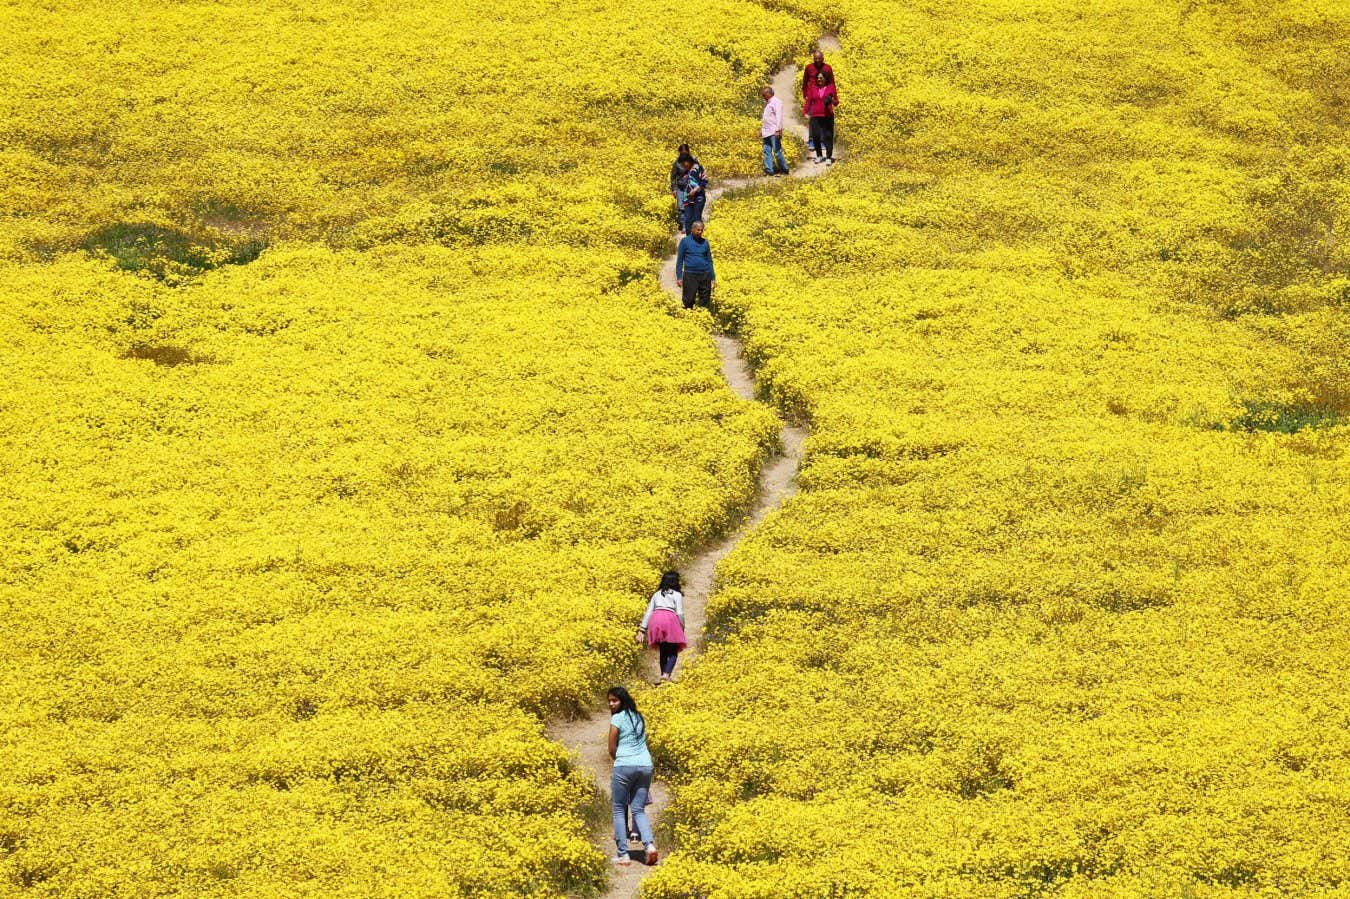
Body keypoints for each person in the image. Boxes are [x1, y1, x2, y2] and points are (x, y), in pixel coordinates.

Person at [608, 686, 658, 867]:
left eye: (614, 700)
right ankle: (650, 846)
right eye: (609, 700)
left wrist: (619, 761)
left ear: (622, 701)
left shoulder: (617, 718)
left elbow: (611, 747)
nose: (611, 704)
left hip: (625, 766)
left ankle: (623, 854)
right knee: (638, 809)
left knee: (619, 809)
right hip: (645, 765)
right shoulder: (638, 717)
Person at [638, 571, 688, 680]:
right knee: (673, 651)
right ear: (675, 582)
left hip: (655, 620)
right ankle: (666, 674)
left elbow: (648, 612)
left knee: (663, 651)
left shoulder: (656, 594)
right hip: (670, 620)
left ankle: (663, 675)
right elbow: (679, 613)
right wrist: (682, 627)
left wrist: (642, 629)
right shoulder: (677, 594)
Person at [674, 222, 715, 312]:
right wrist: (679, 277)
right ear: (692, 229)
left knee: (705, 302)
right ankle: (688, 321)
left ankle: (703, 320)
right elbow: (680, 260)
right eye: (698, 230)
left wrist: (713, 278)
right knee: (688, 300)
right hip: (690, 275)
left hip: (705, 275)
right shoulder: (685, 242)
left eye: (701, 230)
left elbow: (709, 261)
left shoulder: (705, 242)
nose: (700, 232)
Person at [804, 71, 840, 164]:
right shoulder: (813, 88)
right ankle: (819, 155)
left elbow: (836, 102)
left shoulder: (831, 87)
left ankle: (828, 157)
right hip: (815, 115)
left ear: (825, 78)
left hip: (827, 115)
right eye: (818, 78)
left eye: (821, 77)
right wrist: (805, 112)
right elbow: (809, 101)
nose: (819, 79)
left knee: (828, 136)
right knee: (816, 136)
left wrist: (831, 100)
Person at [802, 50, 834, 152]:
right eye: (815, 58)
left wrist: (831, 95)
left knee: (824, 119)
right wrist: (805, 94)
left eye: (819, 58)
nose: (817, 60)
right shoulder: (809, 67)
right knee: (813, 120)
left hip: (824, 95)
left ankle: (823, 141)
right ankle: (812, 140)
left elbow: (831, 82)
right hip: (813, 95)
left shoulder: (827, 68)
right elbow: (804, 82)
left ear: (823, 58)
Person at [676, 153, 708, 236]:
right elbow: (680, 180)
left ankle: (697, 240)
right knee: (688, 220)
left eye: (684, 163)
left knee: (697, 219)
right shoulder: (685, 171)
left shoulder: (698, 168)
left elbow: (704, 182)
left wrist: (695, 190)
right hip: (687, 198)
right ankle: (689, 240)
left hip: (698, 197)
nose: (683, 165)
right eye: (682, 164)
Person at [760, 87, 790, 176]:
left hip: (773, 131)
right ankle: (769, 170)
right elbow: (767, 118)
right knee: (766, 150)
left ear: (769, 93)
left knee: (777, 151)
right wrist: (762, 129)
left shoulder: (776, 102)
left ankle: (785, 169)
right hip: (766, 131)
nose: (763, 97)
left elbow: (779, 117)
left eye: (764, 95)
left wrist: (778, 130)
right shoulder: (768, 103)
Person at [668, 143, 692, 231]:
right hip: (680, 187)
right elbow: (673, 177)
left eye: (685, 153)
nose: (684, 155)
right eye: (682, 153)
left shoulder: (693, 161)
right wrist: (674, 189)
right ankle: (684, 226)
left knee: (689, 205)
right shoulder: (677, 163)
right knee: (680, 207)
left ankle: (690, 224)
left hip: (691, 188)